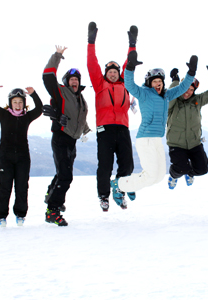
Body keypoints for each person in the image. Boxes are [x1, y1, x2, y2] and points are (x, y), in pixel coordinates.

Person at [110, 49, 198, 200]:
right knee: (150, 176)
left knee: (158, 177)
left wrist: (191, 72)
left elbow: (183, 87)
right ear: (150, 83)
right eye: (155, 81)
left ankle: (128, 183)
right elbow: (129, 84)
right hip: (145, 139)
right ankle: (119, 184)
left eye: (160, 81)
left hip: (157, 139)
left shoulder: (166, 95)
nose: (158, 84)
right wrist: (130, 67)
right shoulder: (144, 93)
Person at [87, 22, 137, 212]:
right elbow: (92, 64)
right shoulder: (100, 85)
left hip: (123, 128)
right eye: (110, 72)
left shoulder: (125, 84)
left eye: (116, 72)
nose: (114, 74)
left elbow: (129, 63)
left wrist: (132, 43)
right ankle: (103, 197)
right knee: (105, 165)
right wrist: (91, 41)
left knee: (127, 163)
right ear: (106, 74)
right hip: (105, 129)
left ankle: (120, 189)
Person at [42, 45, 91, 226]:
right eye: (71, 79)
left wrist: (86, 131)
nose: (74, 82)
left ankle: (50, 194)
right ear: (66, 81)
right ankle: (52, 210)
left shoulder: (80, 99)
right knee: (66, 176)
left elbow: (80, 118)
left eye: (76, 79)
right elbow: (48, 76)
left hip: (72, 140)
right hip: (61, 137)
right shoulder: (61, 92)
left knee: (63, 173)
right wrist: (57, 56)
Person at [0, 81, 43, 227]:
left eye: (20, 102)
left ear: (24, 103)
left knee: (22, 187)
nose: (17, 105)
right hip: (5, 157)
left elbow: (39, 109)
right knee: (5, 186)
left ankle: (20, 214)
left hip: (23, 158)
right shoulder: (4, 115)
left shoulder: (27, 117)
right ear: (10, 103)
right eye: (15, 102)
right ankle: (1, 216)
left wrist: (33, 94)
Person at [166, 62, 208, 189]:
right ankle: (173, 175)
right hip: (176, 144)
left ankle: (189, 173)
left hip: (194, 143)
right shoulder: (173, 102)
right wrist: (175, 81)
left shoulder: (197, 100)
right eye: (186, 88)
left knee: (202, 169)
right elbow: (169, 97)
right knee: (180, 169)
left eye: (191, 89)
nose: (188, 92)